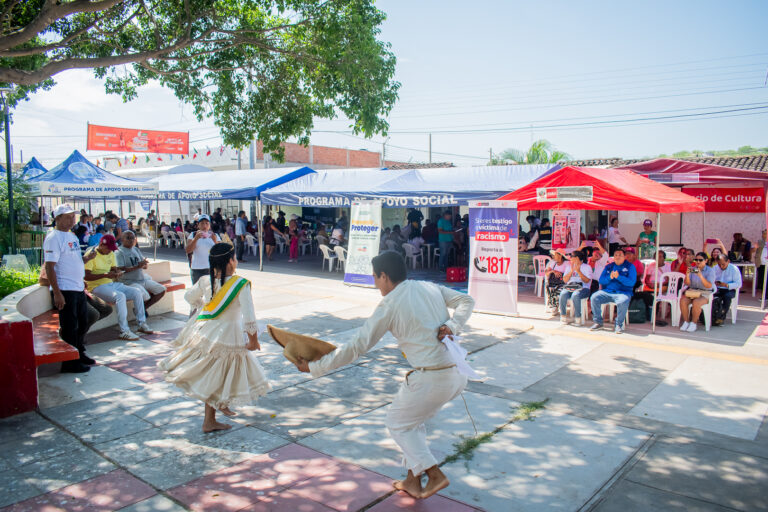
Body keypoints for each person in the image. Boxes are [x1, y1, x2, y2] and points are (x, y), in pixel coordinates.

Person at [294, 251, 475, 499]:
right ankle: (413, 481)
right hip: (455, 374)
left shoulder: (389, 305)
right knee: (412, 422)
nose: (375, 283)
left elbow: (357, 347)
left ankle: (434, 474)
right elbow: (467, 301)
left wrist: (315, 367)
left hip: (431, 379)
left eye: (375, 278)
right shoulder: (429, 287)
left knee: (397, 424)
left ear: (385, 276)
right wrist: (453, 325)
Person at [159, 243, 269, 432]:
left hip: (205, 332)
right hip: (227, 335)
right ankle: (210, 419)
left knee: (216, 373)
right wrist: (253, 340)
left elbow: (189, 297)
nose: (235, 261)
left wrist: (203, 306)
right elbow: (249, 317)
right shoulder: (240, 284)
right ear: (230, 262)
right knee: (221, 373)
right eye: (234, 258)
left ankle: (217, 407)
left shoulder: (204, 280)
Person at [43, 204, 96, 373]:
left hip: (77, 287)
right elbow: (50, 267)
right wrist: (57, 293)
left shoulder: (71, 236)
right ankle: (69, 363)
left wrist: (87, 259)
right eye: (67, 216)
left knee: (82, 321)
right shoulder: (53, 238)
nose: (71, 219)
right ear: (57, 218)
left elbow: (74, 261)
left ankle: (78, 353)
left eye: (73, 216)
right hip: (65, 289)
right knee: (70, 326)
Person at [85, 234, 151, 340]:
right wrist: (106, 275)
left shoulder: (110, 253)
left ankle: (142, 323)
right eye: (108, 249)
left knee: (137, 292)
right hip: (96, 286)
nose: (110, 251)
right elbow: (86, 276)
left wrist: (117, 272)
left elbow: (114, 268)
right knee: (120, 296)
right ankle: (124, 330)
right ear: (101, 245)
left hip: (111, 284)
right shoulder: (92, 254)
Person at [116, 231, 167, 312]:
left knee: (161, 290)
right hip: (129, 282)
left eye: (133, 238)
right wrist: (138, 266)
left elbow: (143, 266)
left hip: (142, 279)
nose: (131, 240)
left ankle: (141, 310)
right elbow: (121, 269)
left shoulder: (135, 249)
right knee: (146, 297)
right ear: (122, 239)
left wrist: (144, 264)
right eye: (128, 238)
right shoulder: (119, 252)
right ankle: (141, 313)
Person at [589, 248, 637, 334]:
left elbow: (631, 283)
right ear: (613, 257)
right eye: (616, 255)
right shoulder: (609, 266)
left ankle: (618, 324)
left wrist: (619, 277)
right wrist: (610, 277)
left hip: (623, 292)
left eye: (620, 255)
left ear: (624, 257)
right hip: (607, 292)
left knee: (623, 300)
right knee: (594, 297)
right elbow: (601, 280)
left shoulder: (630, 267)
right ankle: (598, 322)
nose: (618, 257)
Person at [679, 251, 716, 333]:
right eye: (696, 260)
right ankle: (686, 321)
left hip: (705, 292)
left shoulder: (710, 271)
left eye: (700, 260)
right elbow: (687, 283)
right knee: (683, 300)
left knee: (696, 302)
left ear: (706, 260)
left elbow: (709, 285)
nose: (698, 262)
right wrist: (687, 275)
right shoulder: (693, 269)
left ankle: (694, 323)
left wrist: (700, 276)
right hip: (693, 291)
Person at [559, 250, 592, 325]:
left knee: (575, 295)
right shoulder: (569, 266)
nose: (570, 258)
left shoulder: (587, 267)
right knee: (563, 294)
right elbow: (565, 280)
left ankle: (578, 318)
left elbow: (587, 281)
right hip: (571, 286)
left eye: (571, 256)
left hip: (583, 288)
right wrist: (571, 271)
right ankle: (563, 316)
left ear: (577, 258)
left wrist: (579, 271)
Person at [186, 215, 221, 284]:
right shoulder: (193, 235)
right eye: (202, 223)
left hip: (211, 268)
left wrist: (215, 241)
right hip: (197, 269)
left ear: (209, 225)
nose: (204, 225)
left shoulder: (215, 236)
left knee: (211, 292)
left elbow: (220, 252)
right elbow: (188, 250)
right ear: (198, 225)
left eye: (206, 223)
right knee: (197, 292)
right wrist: (196, 239)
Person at [712, 254, 742, 326]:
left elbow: (739, 283)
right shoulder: (715, 268)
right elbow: (710, 279)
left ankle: (721, 317)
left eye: (723, 264)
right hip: (718, 288)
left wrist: (726, 285)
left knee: (727, 297)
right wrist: (715, 283)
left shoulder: (734, 269)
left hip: (729, 289)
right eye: (719, 264)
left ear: (728, 261)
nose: (721, 267)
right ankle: (712, 316)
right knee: (711, 296)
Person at [544, 249, 569, 314]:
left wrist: (559, 273)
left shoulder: (566, 263)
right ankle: (553, 306)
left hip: (563, 282)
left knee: (558, 290)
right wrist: (553, 271)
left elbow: (567, 275)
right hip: (553, 282)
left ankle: (555, 306)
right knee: (548, 286)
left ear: (560, 256)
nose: (554, 256)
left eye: (556, 255)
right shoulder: (553, 263)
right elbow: (546, 273)